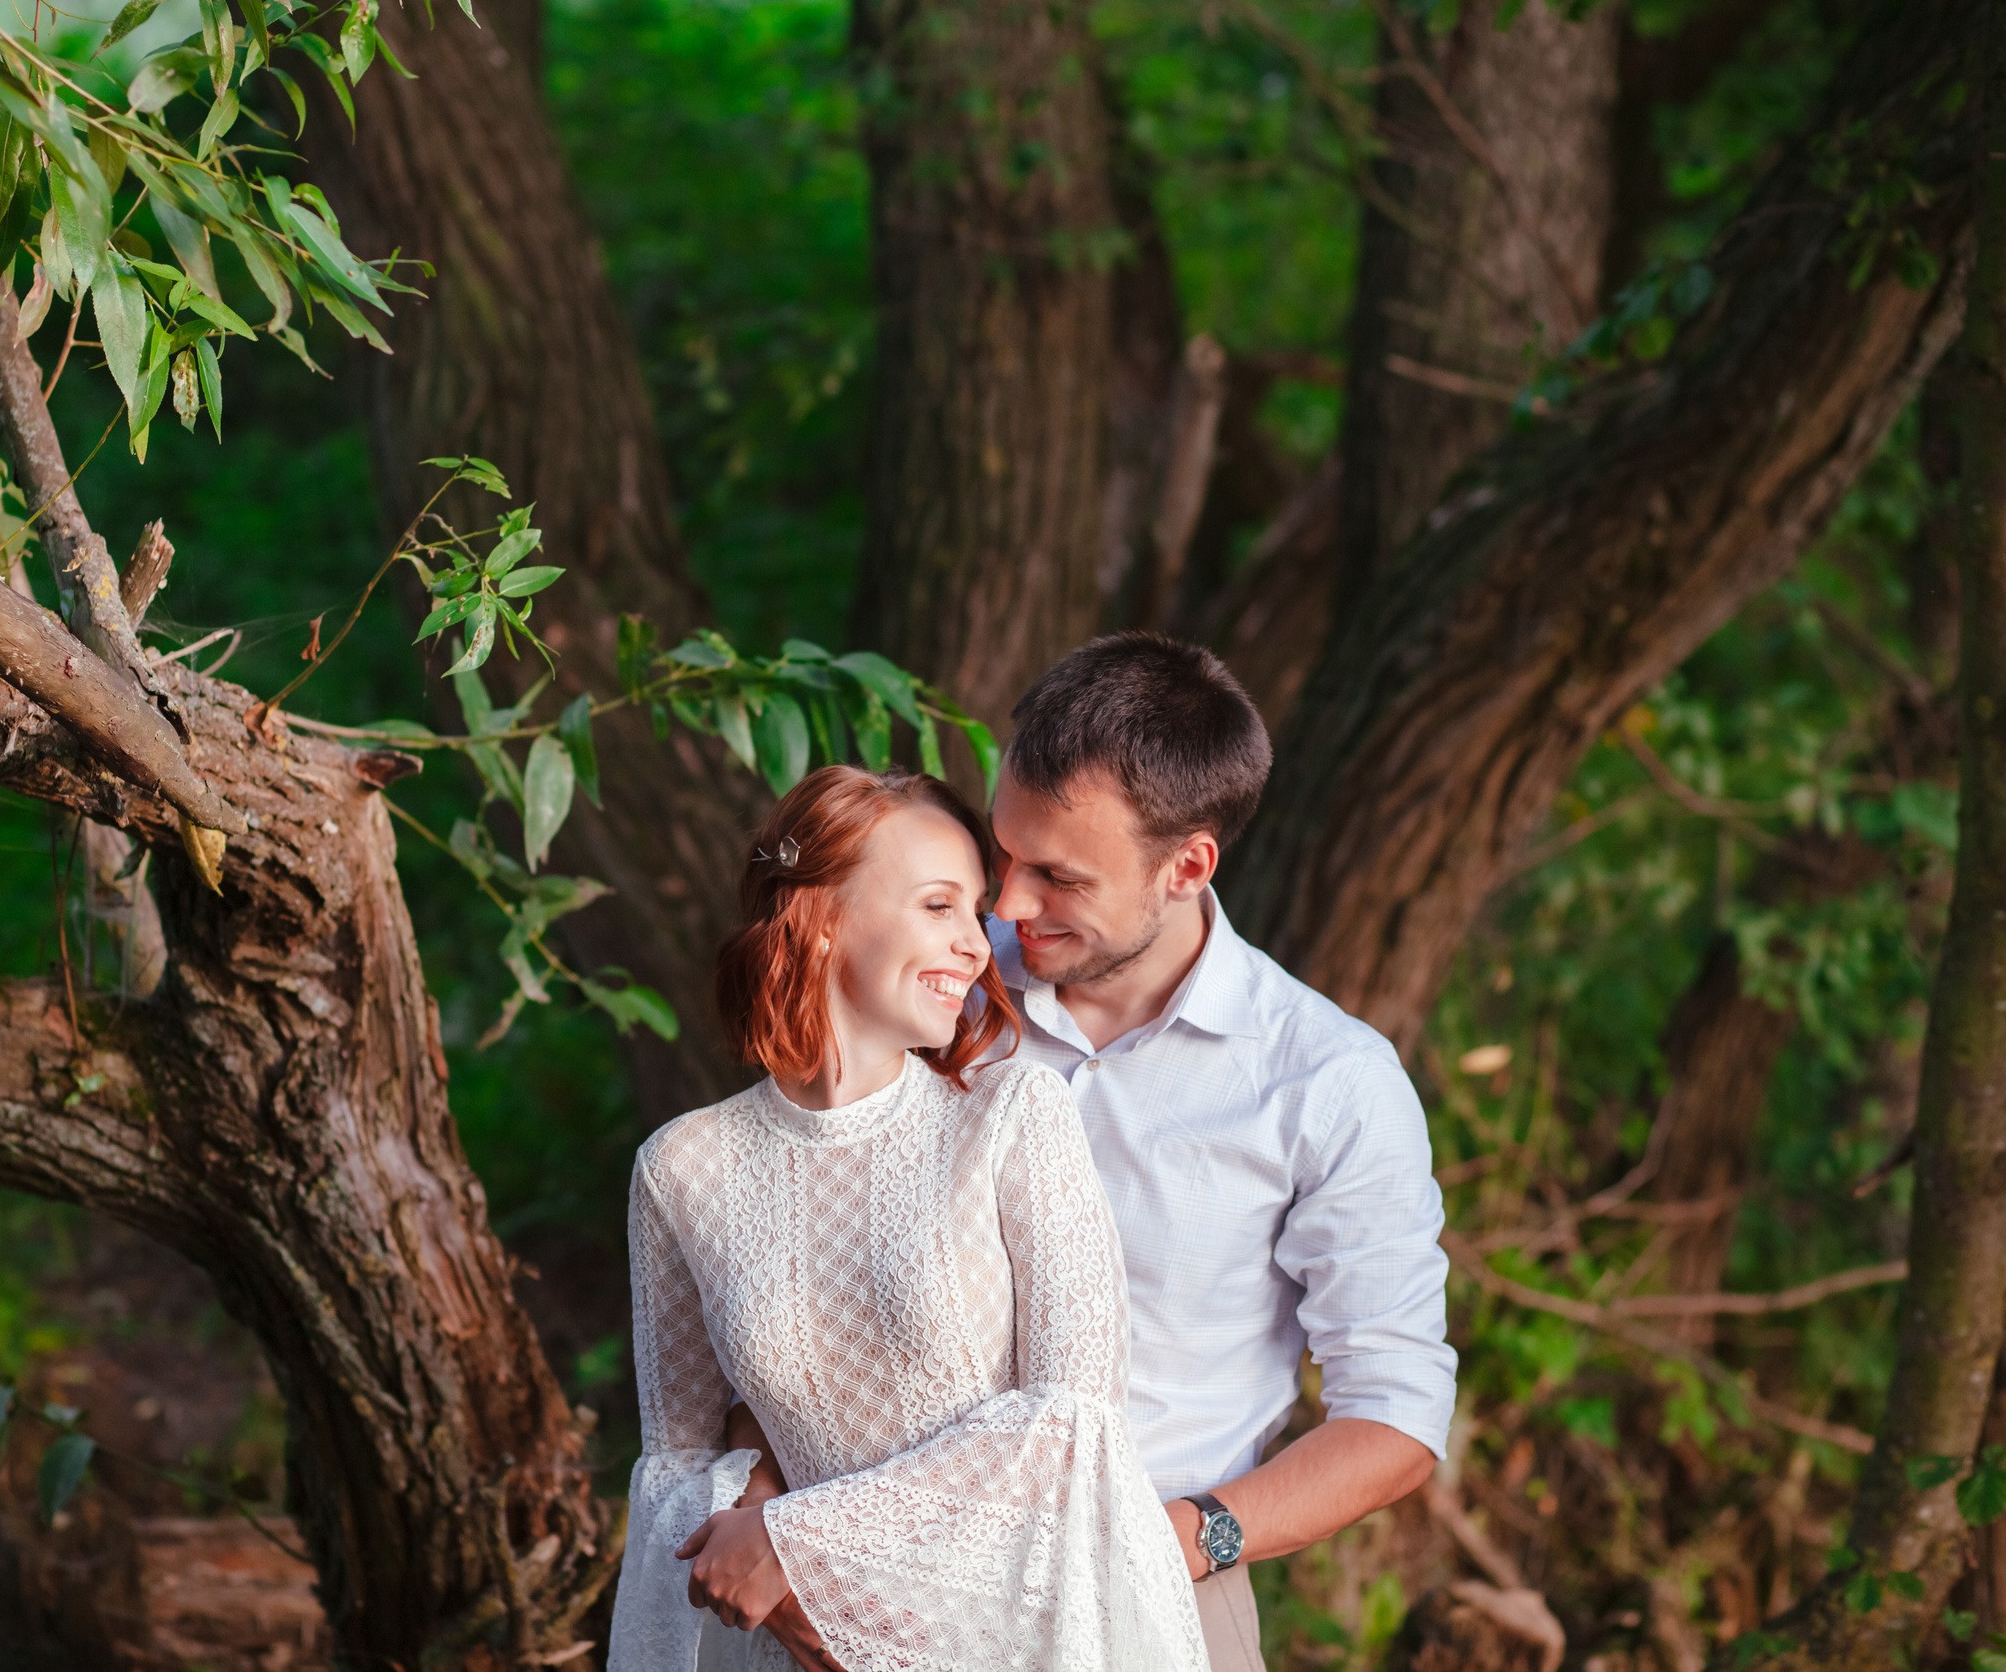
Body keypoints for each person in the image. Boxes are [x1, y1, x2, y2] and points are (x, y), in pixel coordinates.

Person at [606, 765, 1210, 1672]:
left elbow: (1070, 1422)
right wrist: (779, 1572)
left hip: (1013, 1636)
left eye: (976, 911)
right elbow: (677, 1471)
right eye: (939, 905)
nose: (978, 944)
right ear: (820, 916)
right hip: (794, 1648)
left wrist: (797, 1540)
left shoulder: (1012, 1116)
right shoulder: (682, 1169)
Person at [979, 632, 1458, 1671]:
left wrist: (1180, 1542)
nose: (1009, 905)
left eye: (1056, 876)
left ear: (1186, 865)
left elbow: (1397, 1415)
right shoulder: (937, 986)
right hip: (870, 1580)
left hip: (1146, 1608)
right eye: (1000, 853)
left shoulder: (1327, 1083)